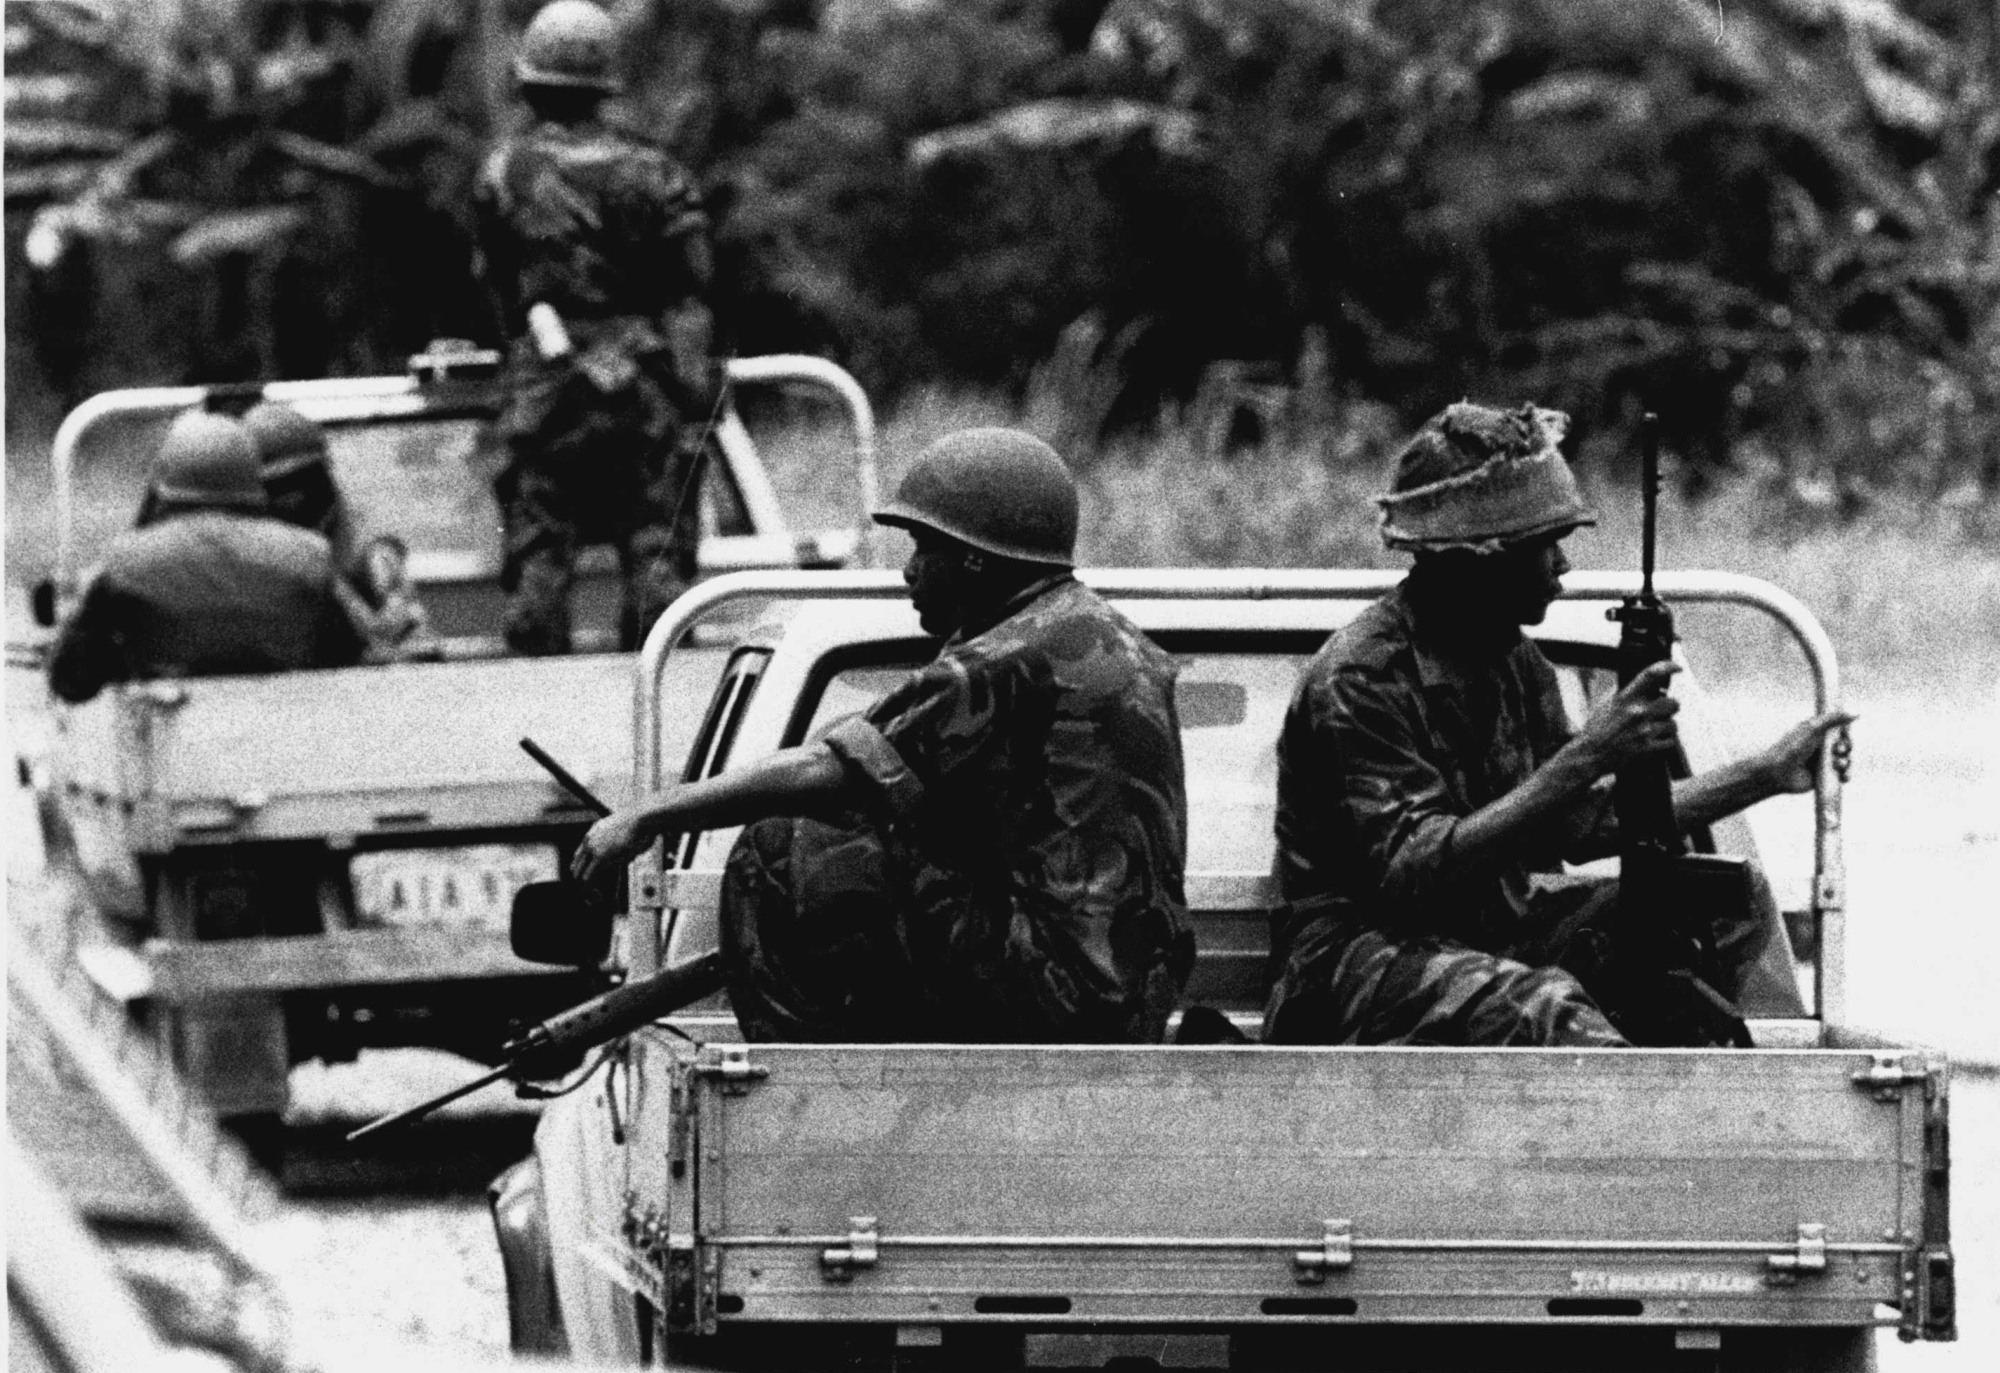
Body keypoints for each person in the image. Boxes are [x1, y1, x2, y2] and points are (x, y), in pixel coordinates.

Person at [571, 428, 1195, 1043]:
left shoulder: (999, 662)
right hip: (1136, 991)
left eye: (924, 547)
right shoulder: (1109, 637)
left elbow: (827, 773)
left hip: (1059, 991)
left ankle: (799, 1089)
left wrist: (648, 815)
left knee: (779, 849)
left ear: (974, 557)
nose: (908, 571)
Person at [1262, 401, 1850, 1048]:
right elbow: (1413, 871)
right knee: (1545, 1012)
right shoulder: (1361, 679)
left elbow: (1582, 822)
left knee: (1711, 906)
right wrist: (1591, 753)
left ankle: (1687, 1082)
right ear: (1481, 561)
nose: (1563, 567)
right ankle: (1645, 1137)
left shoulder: (1513, 661)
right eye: (1545, 548)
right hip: (1354, 962)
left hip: (1485, 933)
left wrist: (1762, 775)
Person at [471, 0, 717, 656]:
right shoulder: (659, 172)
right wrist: (687, 389)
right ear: (607, 84)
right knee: (658, 570)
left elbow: (495, 289)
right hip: (648, 379)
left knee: (540, 567)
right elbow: (693, 286)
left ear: (528, 83)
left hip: (545, 385)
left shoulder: (502, 173)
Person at [48, 410, 366, 704]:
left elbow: (72, 681)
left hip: (168, 738)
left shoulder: (125, 562)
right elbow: (347, 656)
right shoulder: (309, 555)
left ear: (165, 484)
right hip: (287, 738)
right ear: (253, 475)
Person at [242, 398, 356, 569]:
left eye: (305, 479)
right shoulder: (248, 546)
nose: (292, 499)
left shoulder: (341, 520)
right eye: (279, 487)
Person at [339, 533, 444, 664]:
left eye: (395, 565)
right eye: (384, 561)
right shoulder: (346, 587)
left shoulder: (398, 595)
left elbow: (426, 640)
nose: (386, 570)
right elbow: (370, 632)